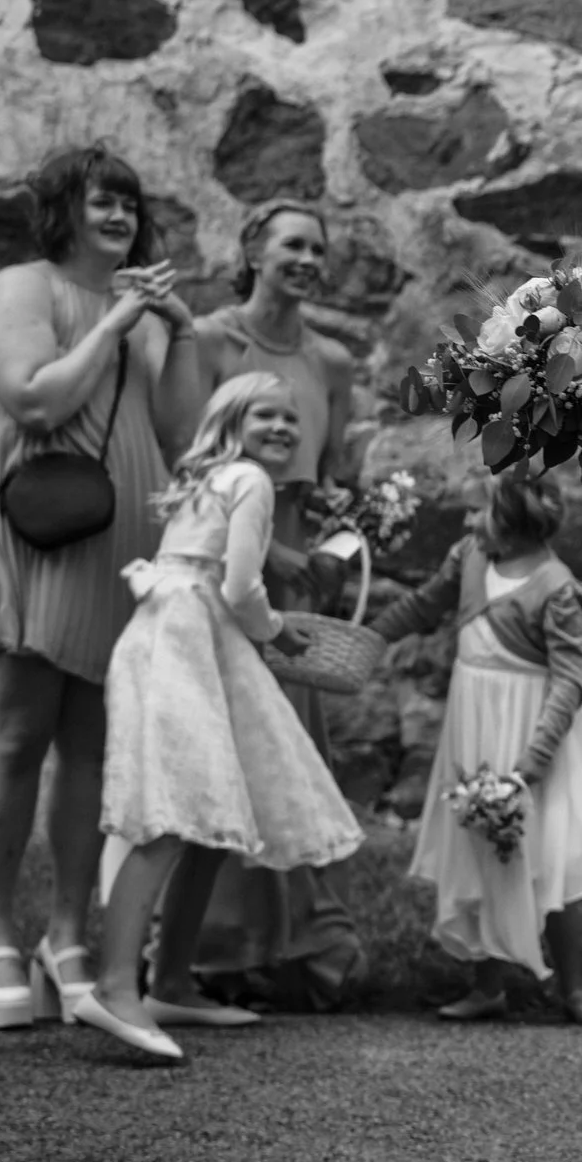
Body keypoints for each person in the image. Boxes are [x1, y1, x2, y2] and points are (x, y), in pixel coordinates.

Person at [0, 145, 203, 1031]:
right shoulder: (23, 287)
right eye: (102, 201)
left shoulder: (139, 311)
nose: (120, 216)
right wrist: (113, 322)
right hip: (29, 537)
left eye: (130, 203)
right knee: (18, 732)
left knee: (93, 744)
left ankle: (67, 936)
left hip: (119, 540)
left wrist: (178, 329)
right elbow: (33, 400)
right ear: (63, 208)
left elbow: (180, 434)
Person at [89, 373, 366, 1061]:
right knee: (173, 813)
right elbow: (242, 585)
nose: (283, 427)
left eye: (292, 418)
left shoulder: (209, 481)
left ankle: (173, 979)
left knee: (213, 817)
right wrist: (277, 631)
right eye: (265, 414)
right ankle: (114, 985)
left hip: (181, 634)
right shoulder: (249, 479)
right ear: (232, 420)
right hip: (187, 637)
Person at [366, 470, 582, 1023]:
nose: (464, 522)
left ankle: (573, 987)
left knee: (543, 853)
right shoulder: (469, 557)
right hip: (474, 722)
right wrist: (371, 638)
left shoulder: (556, 587)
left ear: (510, 521)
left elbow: (569, 680)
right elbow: (423, 605)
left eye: (474, 511)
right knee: (483, 841)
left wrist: (533, 761)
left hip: (533, 732)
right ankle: (487, 985)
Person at [178, 200, 366, 1012]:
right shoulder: (212, 338)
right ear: (251, 249)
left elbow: (335, 478)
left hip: (297, 573)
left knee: (290, 751)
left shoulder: (330, 361)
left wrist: (338, 537)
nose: (308, 259)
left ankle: (294, 946)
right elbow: (190, 464)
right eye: (293, 244)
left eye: (318, 248)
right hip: (234, 566)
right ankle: (213, 947)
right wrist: (268, 549)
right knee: (225, 744)